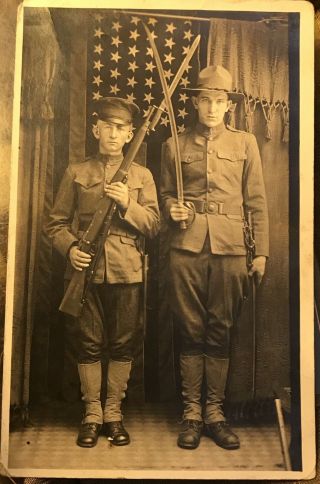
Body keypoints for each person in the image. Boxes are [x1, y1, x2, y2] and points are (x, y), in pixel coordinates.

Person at [161, 65, 269, 450]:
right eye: (205, 99)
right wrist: (172, 206)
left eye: (219, 101)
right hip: (186, 248)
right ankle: (191, 414)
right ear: (194, 102)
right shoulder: (173, 145)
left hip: (231, 249)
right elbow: (163, 196)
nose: (211, 107)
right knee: (190, 329)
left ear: (229, 106)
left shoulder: (245, 144)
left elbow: (256, 201)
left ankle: (214, 414)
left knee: (220, 328)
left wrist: (262, 254)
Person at [46, 97, 160, 448]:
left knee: (123, 343)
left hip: (127, 271)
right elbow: (55, 224)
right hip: (87, 271)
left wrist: (128, 202)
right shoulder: (76, 172)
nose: (113, 133)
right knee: (88, 343)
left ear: (130, 136)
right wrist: (71, 249)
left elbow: (155, 225)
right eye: (107, 126)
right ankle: (92, 414)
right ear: (96, 129)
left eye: (121, 128)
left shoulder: (142, 176)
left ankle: (114, 414)